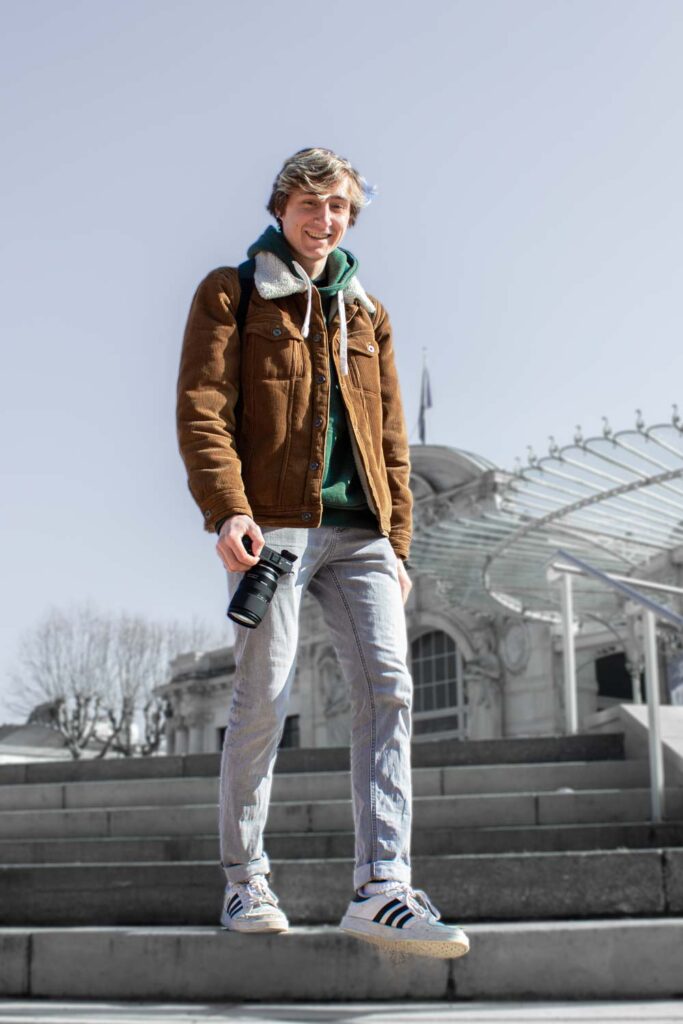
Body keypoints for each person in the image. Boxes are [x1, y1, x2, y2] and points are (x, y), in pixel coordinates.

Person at [176, 147, 469, 959]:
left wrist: (399, 542)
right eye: (310, 204)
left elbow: (390, 439)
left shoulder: (367, 312)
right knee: (262, 696)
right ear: (280, 208)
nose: (325, 219)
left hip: (363, 532)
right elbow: (203, 407)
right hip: (273, 527)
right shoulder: (232, 294)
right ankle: (245, 881)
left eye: (338, 206)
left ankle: (381, 887)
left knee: (390, 692)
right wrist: (227, 509)